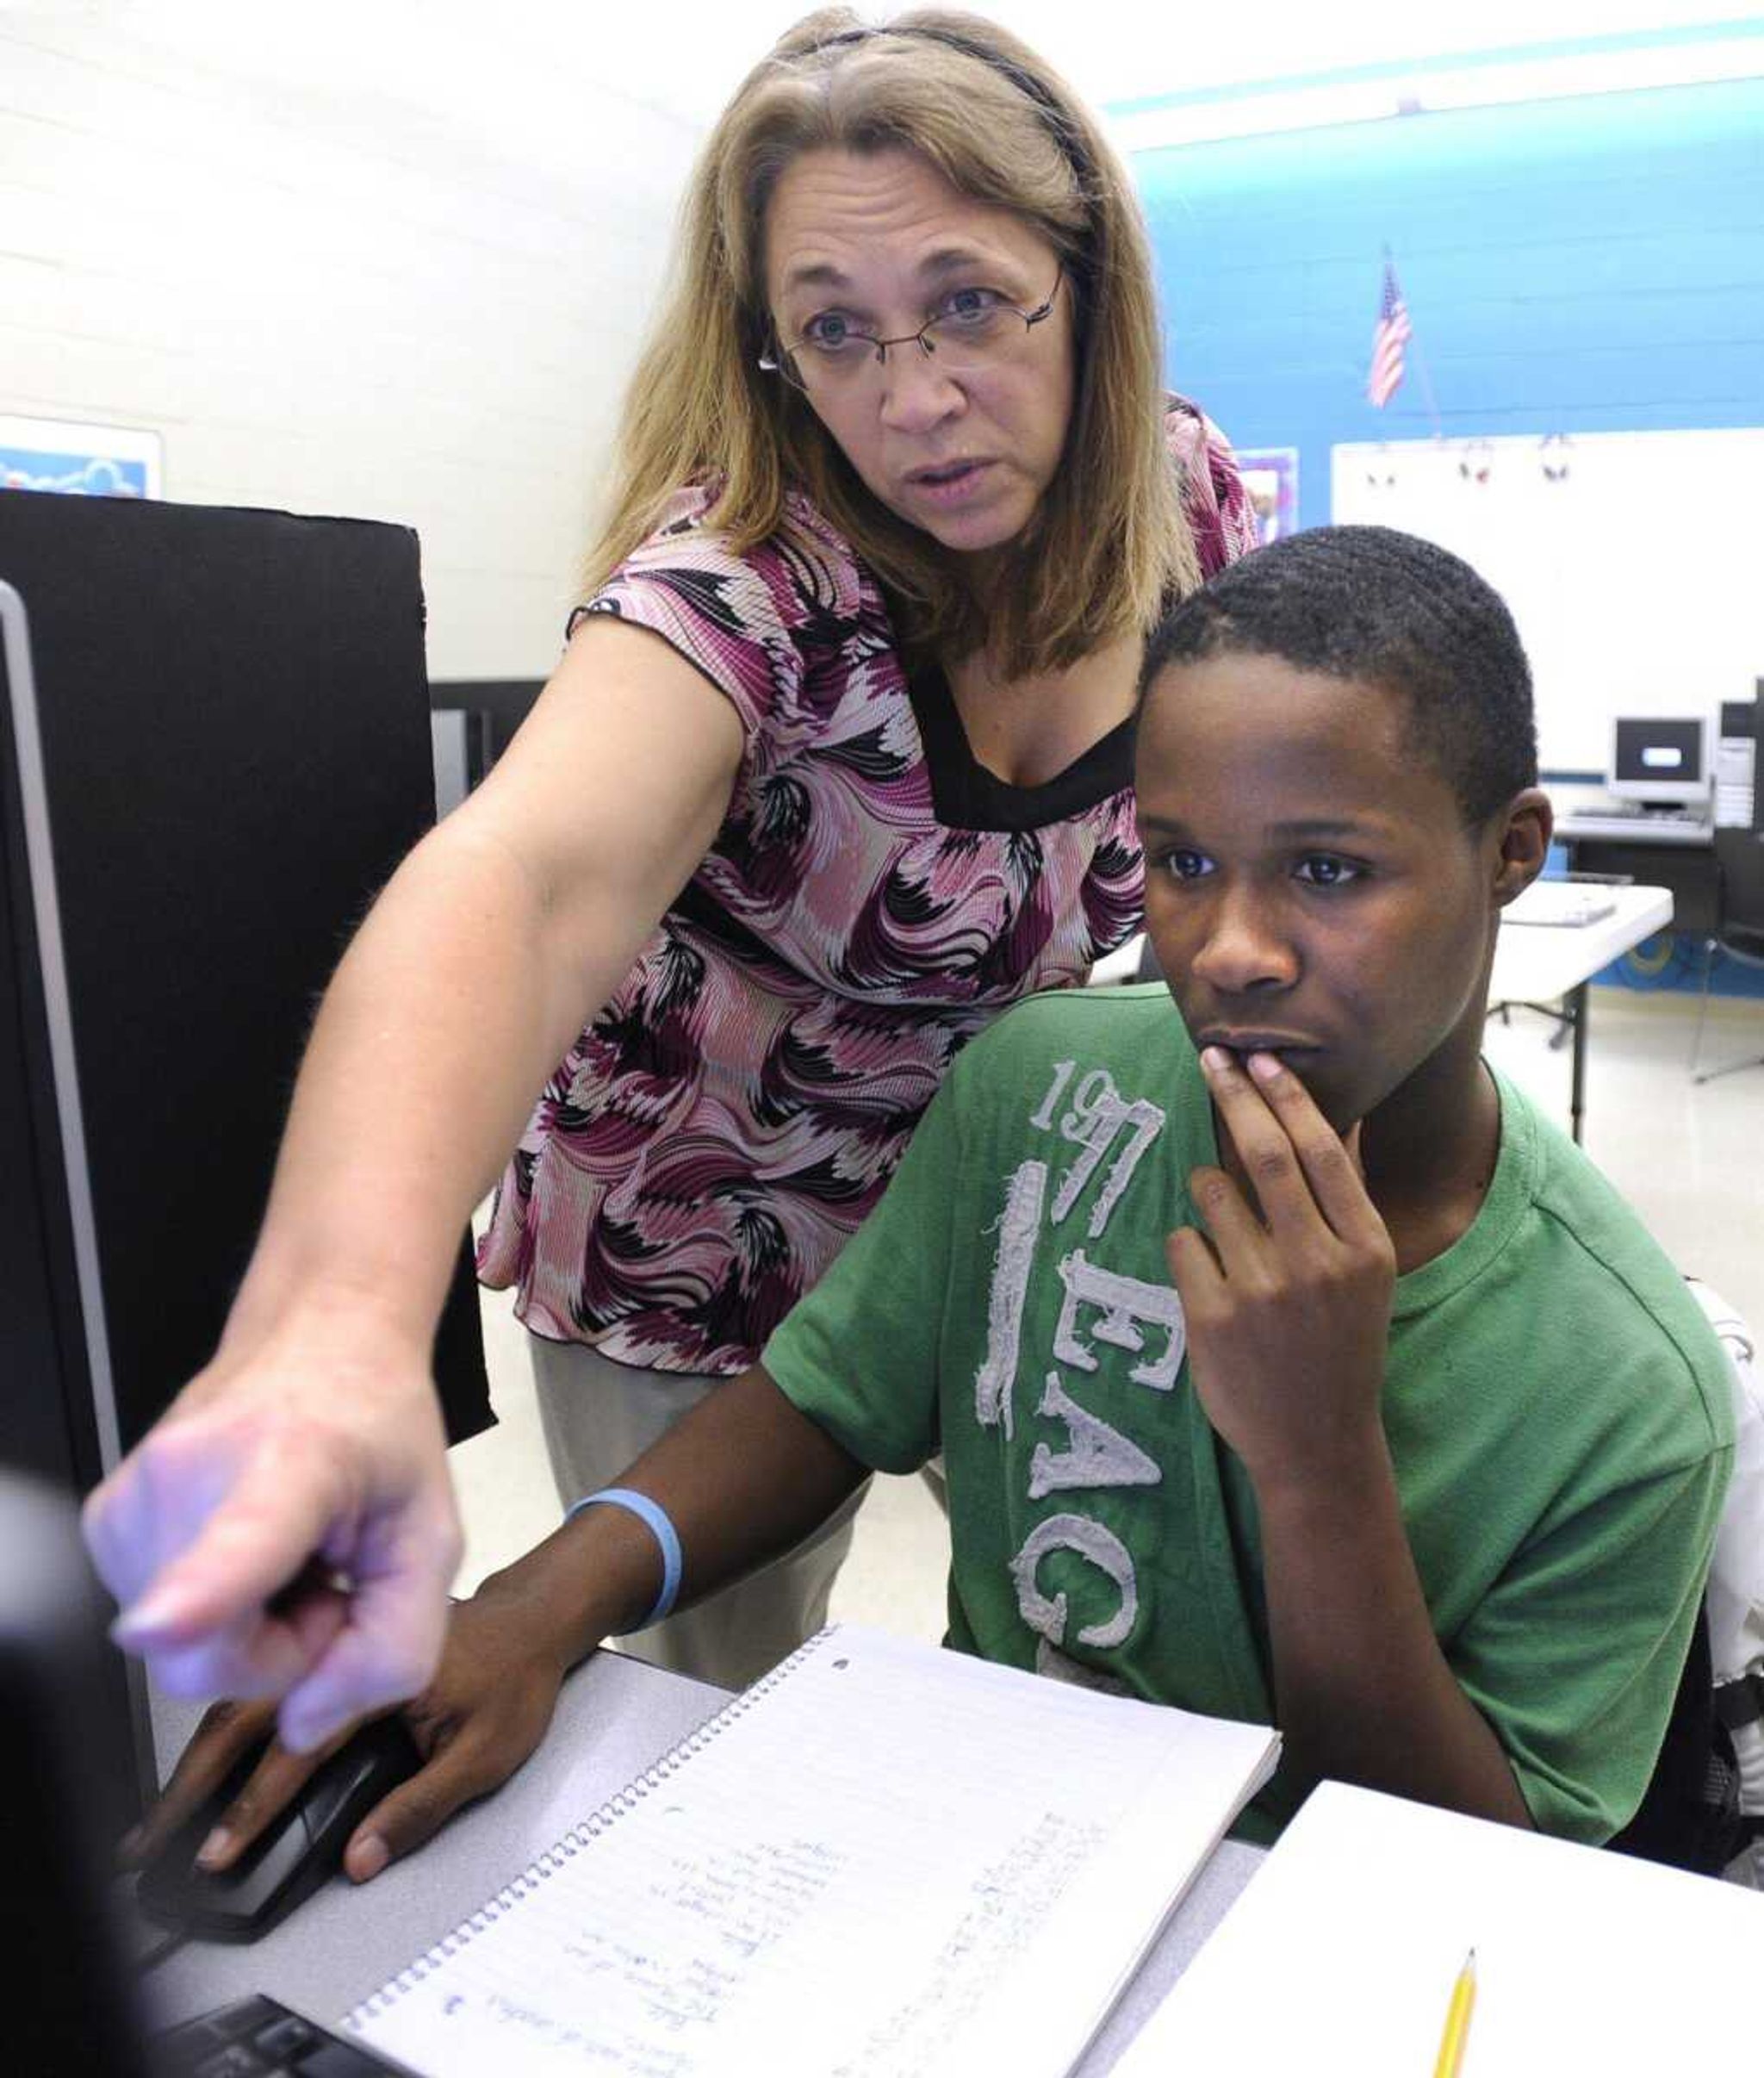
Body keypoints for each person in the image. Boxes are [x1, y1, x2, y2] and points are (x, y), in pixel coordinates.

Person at [132, 525, 1732, 1886]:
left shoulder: (1628, 1386)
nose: (1230, 949)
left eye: (1327, 871)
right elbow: (831, 1397)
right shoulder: (1043, 1084)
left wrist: (1319, 1464)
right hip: (974, 1870)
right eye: (1179, 863)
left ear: (1510, 852)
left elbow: (1464, 1879)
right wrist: (536, 1608)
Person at [83, 5, 1254, 1748]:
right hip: (690, 1242)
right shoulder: (748, 584)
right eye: (833, 334)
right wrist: (335, 1317)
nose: (913, 399)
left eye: (969, 303)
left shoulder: (1181, 511)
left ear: (1087, 278)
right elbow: (526, 881)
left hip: (976, 1206)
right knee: (725, 1708)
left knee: (1095, 1625)